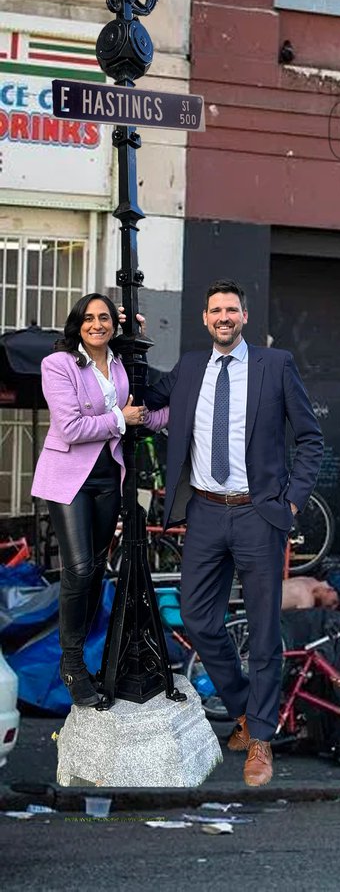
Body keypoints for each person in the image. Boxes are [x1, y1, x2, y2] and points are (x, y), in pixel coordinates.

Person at [145, 280, 323, 787]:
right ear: (205, 318)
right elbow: (143, 386)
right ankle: (248, 708)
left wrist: (291, 499)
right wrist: (121, 342)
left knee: (264, 629)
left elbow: (310, 437)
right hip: (204, 510)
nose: (223, 317)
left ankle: (260, 740)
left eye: (231, 310)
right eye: (215, 310)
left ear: (244, 316)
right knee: (198, 617)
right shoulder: (190, 368)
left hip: (257, 513)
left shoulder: (276, 366)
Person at [30, 293, 166, 707]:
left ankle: (82, 656)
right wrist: (119, 420)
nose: (96, 325)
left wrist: (174, 415)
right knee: (80, 567)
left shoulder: (122, 364)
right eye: (88, 318)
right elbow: (70, 428)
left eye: (104, 318)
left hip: (110, 477)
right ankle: (70, 664)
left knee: (96, 572)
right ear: (78, 324)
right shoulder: (59, 364)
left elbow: (141, 413)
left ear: (113, 324)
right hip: (70, 478)